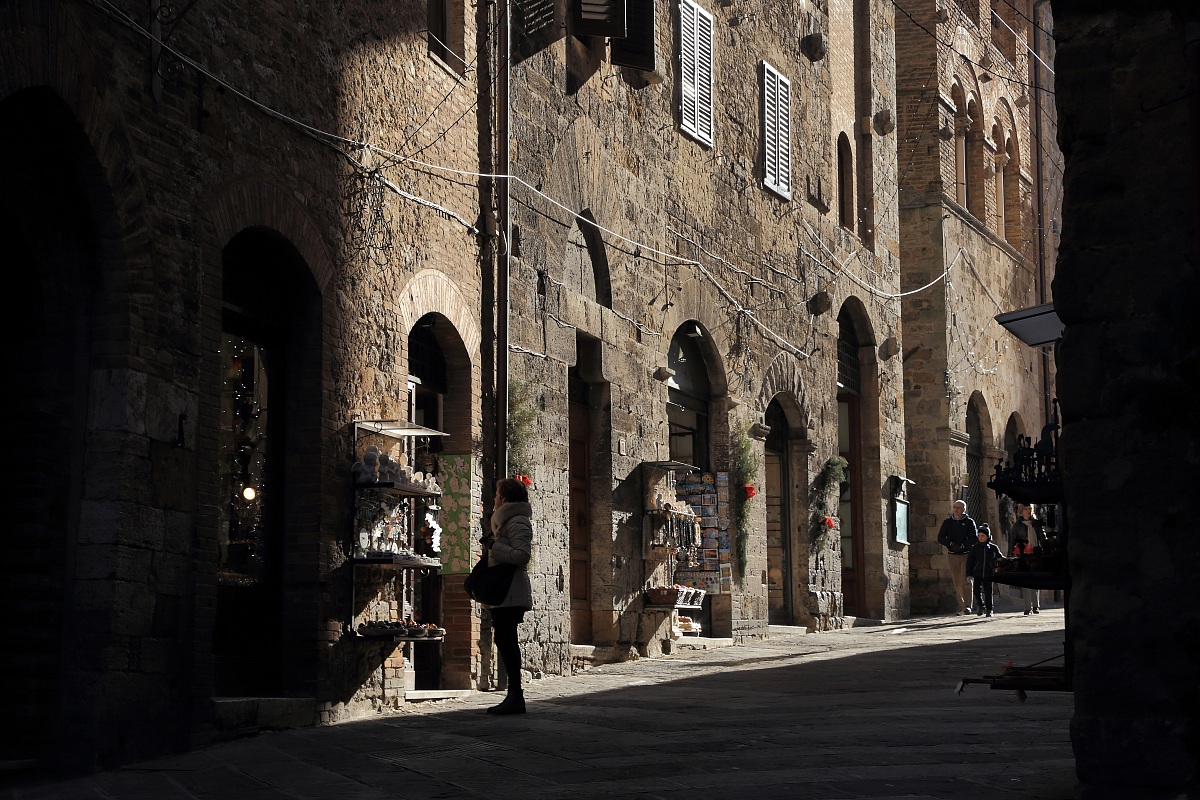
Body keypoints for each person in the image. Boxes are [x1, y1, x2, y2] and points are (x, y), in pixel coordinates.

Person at [482, 477, 533, 715]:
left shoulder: (517, 521)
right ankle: (514, 696)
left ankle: (515, 696)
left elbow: (522, 555)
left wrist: (494, 547)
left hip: (510, 589)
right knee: (504, 640)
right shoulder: (507, 521)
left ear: (504, 498)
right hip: (504, 588)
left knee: (507, 640)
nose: (494, 499)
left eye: (497, 494)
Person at [937, 500, 978, 615]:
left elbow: (973, 538)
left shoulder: (969, 522)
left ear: (964, 509)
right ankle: (961, 606)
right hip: (952, 555)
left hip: (966, 554)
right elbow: (940, 537)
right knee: (957, 581)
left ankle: (967, 606)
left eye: (959, 507)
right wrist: (950, 544)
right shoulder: (947, 523)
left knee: (966, 580)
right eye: (955, 507)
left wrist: (962, 545)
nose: (956, 509)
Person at [1007, 503, 1046, 615]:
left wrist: (1045, 547)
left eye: (1029, 509)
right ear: (1021, 511)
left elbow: (1042, 538)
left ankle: (1036, 605)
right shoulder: (1017, 526)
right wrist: (1010, 556)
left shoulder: (1036, 523)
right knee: (1025, 580)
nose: (1028, 511)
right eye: (1025, 509)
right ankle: (1027, 607)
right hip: (1023, 555)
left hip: (1035, 554)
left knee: (1035, 579)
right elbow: (1012, 541)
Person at [966, 524, 1003, 617]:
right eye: (979, 535)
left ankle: (989, 609)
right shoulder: (974, 548)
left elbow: (1000, 558)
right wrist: (969, 574)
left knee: (988, 592)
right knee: (976, 591)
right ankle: (980, 605)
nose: (980, 538)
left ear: (987, 536)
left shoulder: (993, 548)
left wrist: (999, 563)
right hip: (977, 573)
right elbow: (969, 562)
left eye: (982, 535)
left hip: (988, 573)